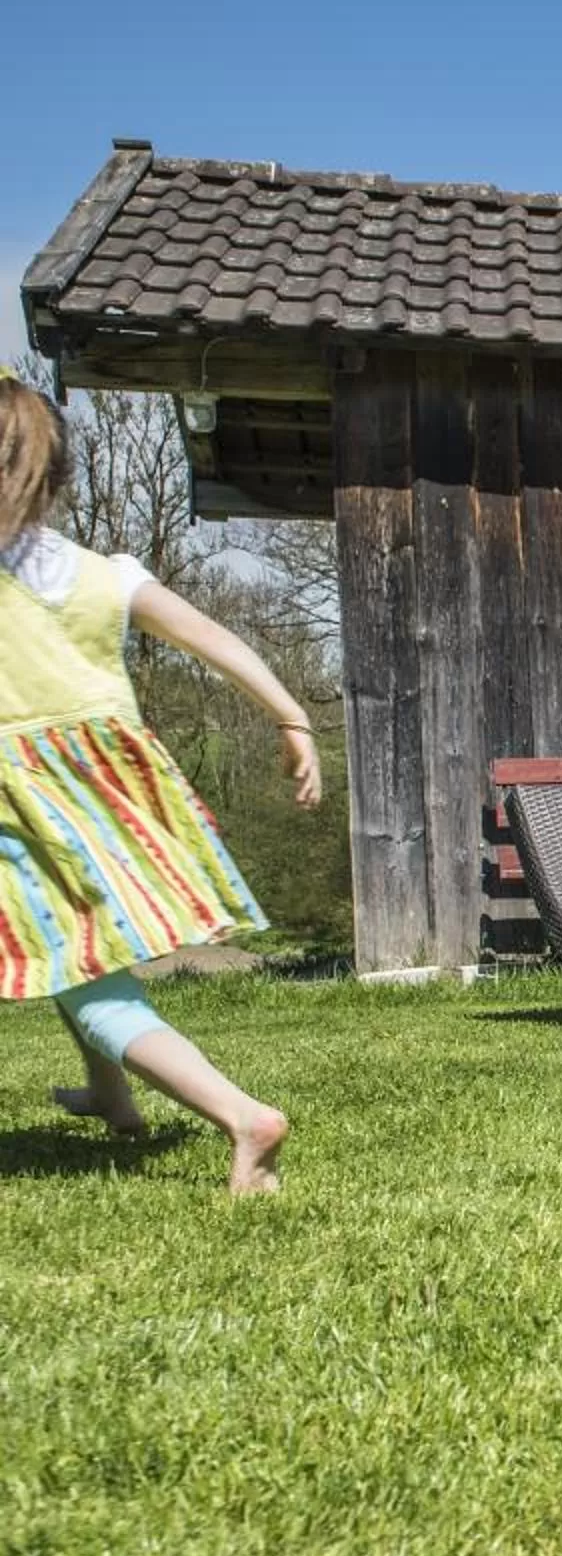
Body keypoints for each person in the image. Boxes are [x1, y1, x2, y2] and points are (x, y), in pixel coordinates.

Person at [0, 377, 321, 1194]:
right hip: (106, 798)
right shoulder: (99, 574)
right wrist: (294, 720)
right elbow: (216, 639)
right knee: (75, 946)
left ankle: (242, 1115)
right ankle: (112, 1096)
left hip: (24, 807)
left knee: (73, 965)